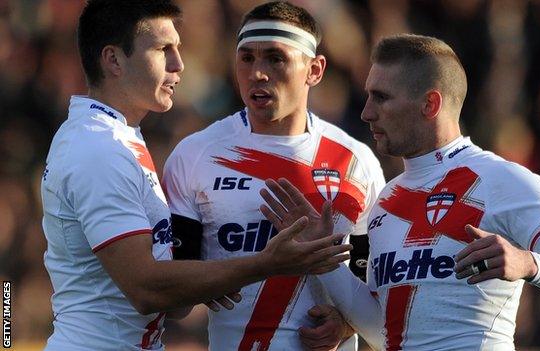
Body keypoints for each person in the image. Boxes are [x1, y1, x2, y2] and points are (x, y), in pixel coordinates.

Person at [259, 34, 540, 350]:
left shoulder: (503, 180)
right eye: (368, 96)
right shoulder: (386, 202)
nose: (366, 113)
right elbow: (384, 333)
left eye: (381, 98)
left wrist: (528, 263)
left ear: (430, 104)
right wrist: (324, 258)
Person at [40, 1, 352, 350]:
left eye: (178, 48)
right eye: (163, 50)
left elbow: (175, 303)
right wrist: (266, 263)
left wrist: (209, 276)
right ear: (113, 60)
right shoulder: (98, 148)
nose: (179, 64)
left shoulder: (119, 138)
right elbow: (145, 288)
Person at [162, 2, 386, 350]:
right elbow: (175, 304)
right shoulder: (194, 156)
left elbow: (378, 297)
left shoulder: (357, 162)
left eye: (275, 58)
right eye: (247, 58)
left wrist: (343, 325)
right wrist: (211, 279)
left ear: (315, 70)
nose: (258, 73)